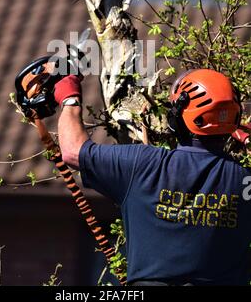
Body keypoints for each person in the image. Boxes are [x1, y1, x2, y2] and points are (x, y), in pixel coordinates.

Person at [54, 69, 251, 286]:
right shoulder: (244, 180)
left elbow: (73, 151)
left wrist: (69, 96)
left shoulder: (142, 164)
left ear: (178, 116)